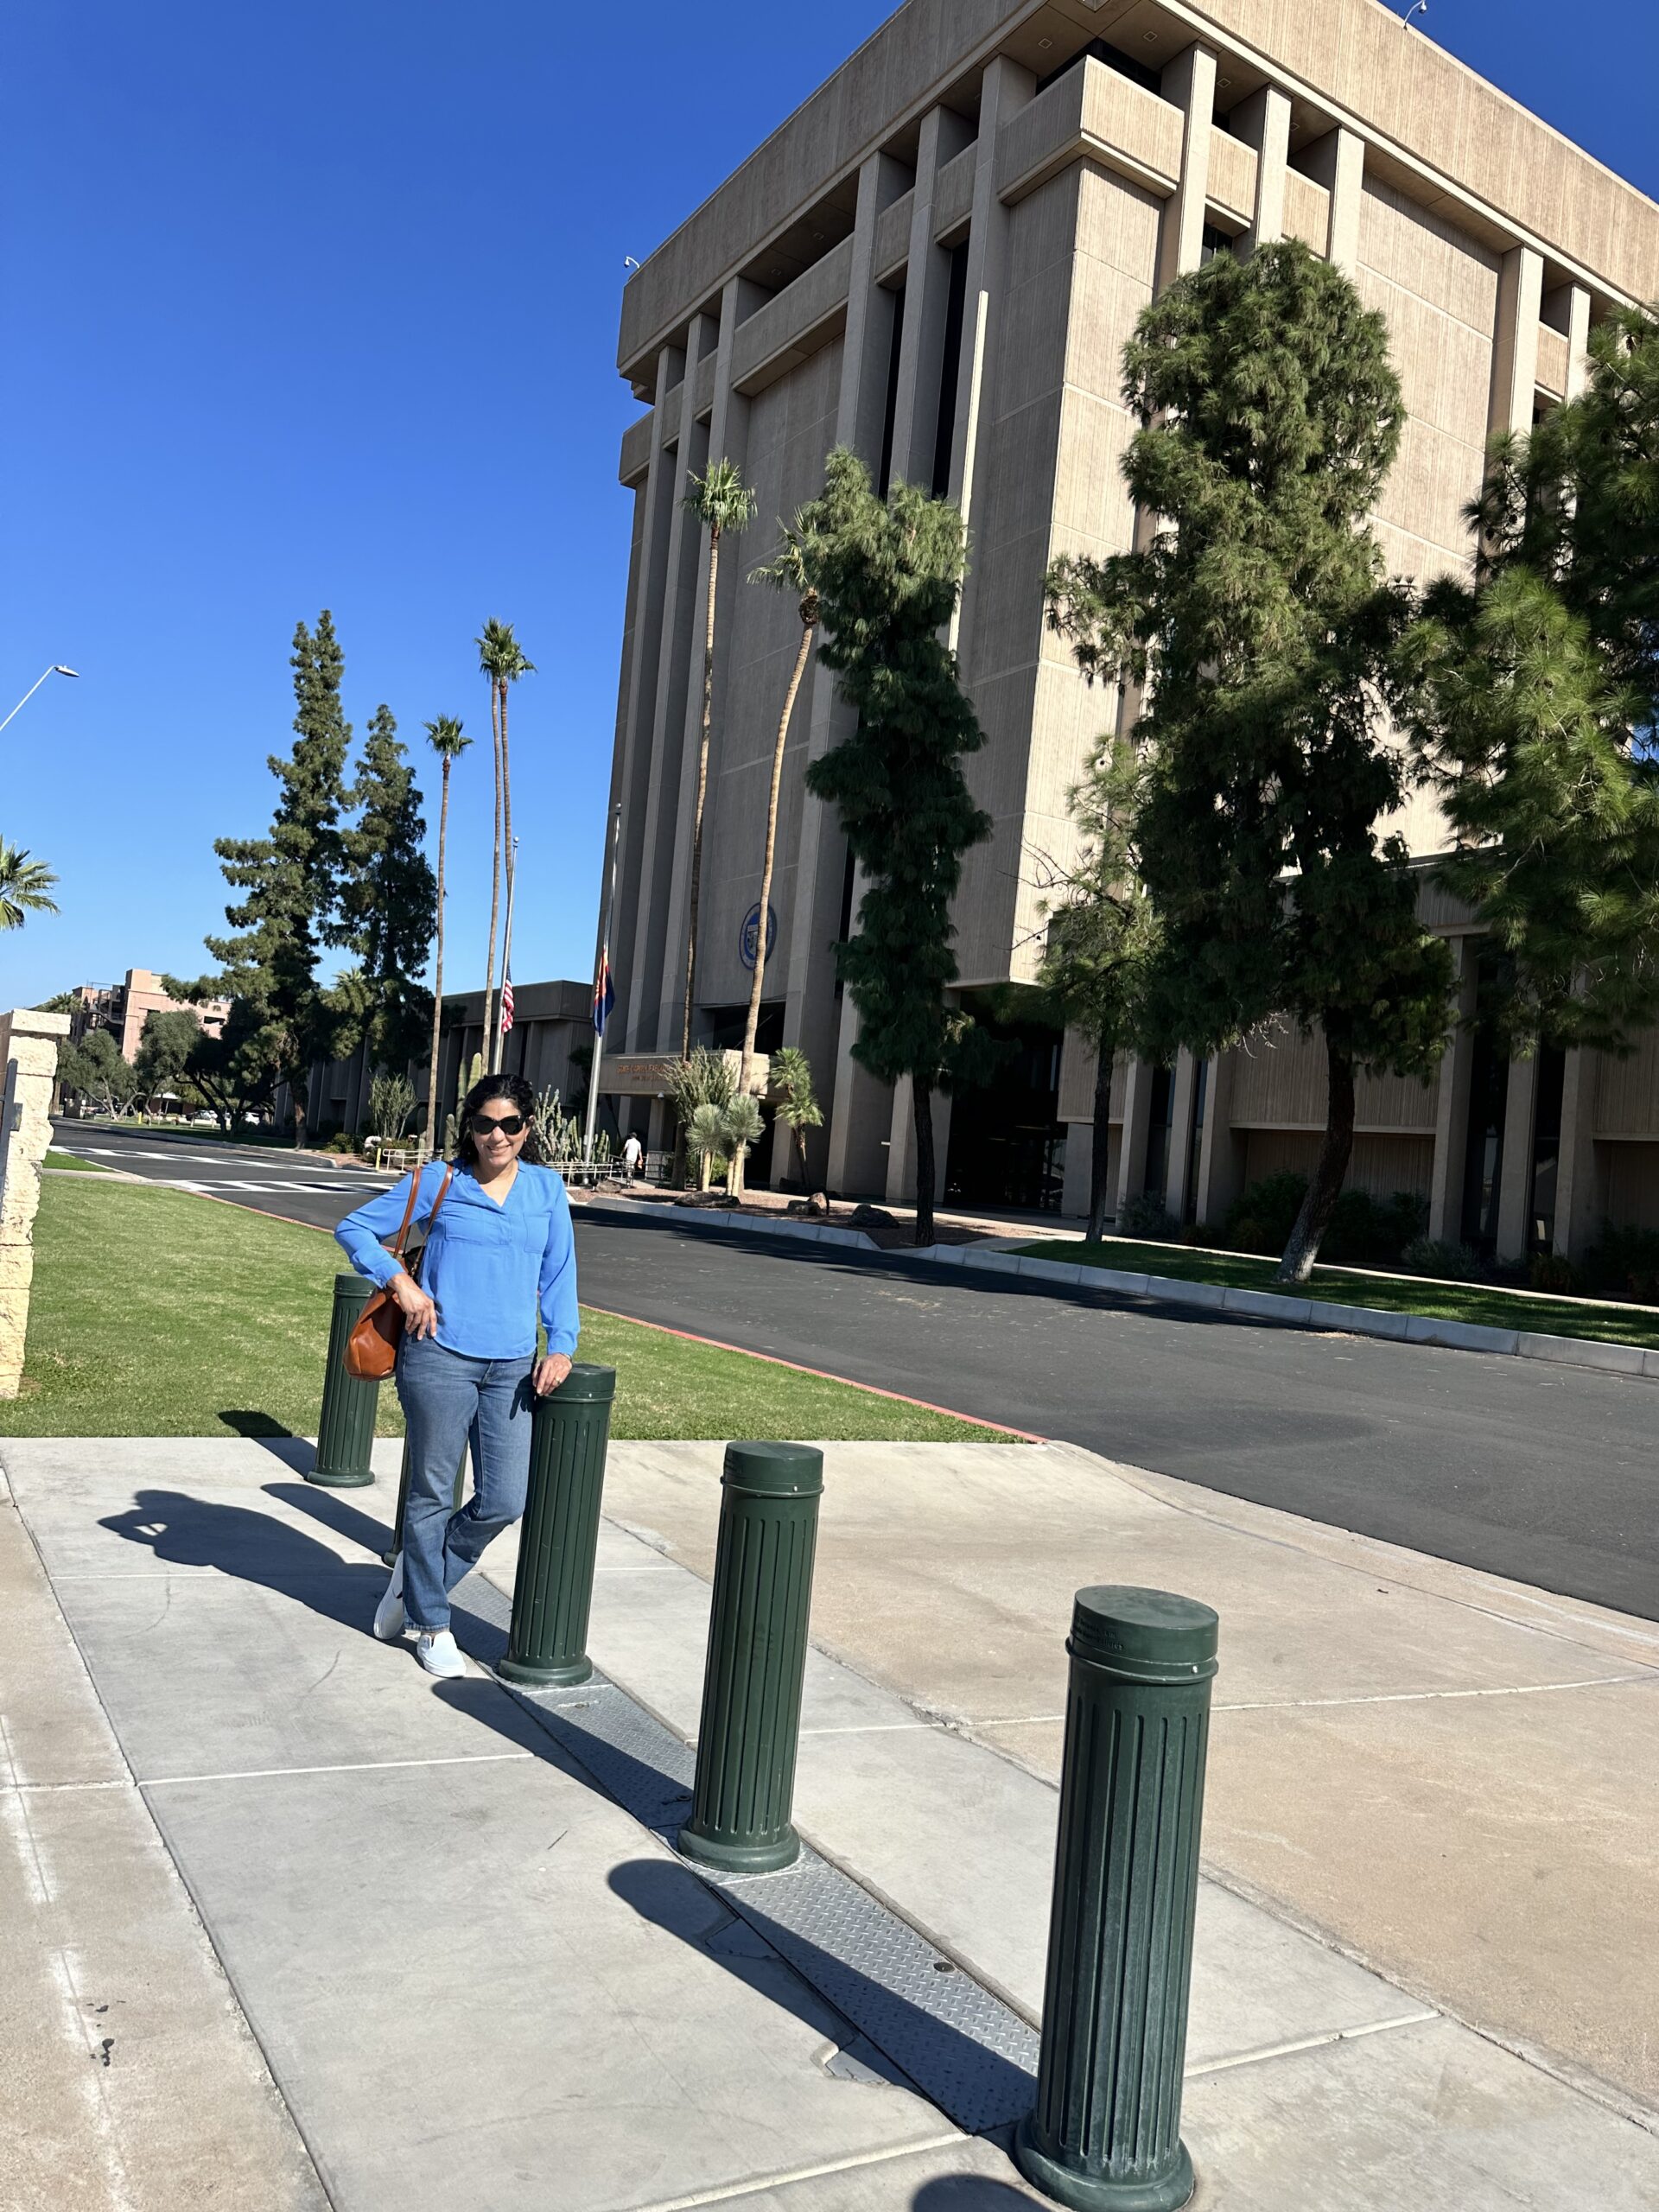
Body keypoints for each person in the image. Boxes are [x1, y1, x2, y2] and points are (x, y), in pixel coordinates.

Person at [334, 1075, 578, 1679]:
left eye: (511, 1124)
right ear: (467, 1128)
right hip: (438, 1356)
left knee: (503, 1499)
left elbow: (559, 1274)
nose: (497, 1135)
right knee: (432, 1493)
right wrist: (404, 1285)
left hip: (514, 1366)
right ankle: (431, 1623)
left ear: (527, 1129)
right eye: (485, 1124)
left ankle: (419, 1581)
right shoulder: (440, 1181)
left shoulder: (547, 1190)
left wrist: (563, 1346)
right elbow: (355, 1228)